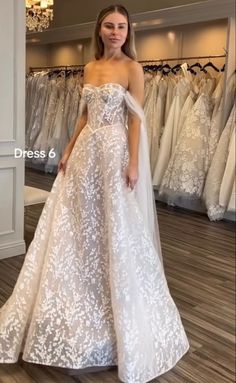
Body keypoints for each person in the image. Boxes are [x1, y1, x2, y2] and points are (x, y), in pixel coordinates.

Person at [0, 4, 189, 383]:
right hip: (87, 151)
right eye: (109, 26)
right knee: (78, 223)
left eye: (121, 26)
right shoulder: (89, 68)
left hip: (116, 151)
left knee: (113, 224)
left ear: (128, 31)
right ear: (99, 30)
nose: (116, 32)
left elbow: (136, 120)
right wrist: (69, 148)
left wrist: (133, 162)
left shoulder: (134, 69)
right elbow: (84, 116)